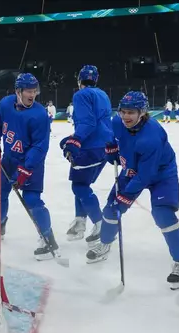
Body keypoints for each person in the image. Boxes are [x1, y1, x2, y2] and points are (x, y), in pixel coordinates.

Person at [87, 91, 179, 290]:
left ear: (142, 112)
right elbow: (109, 134)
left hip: (161, 174)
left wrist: (125, 196)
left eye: (131, 112)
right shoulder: (117, 122)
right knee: (111, 210)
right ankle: (105, 244)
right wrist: (110, 148)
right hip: (132, 168)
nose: (126, 116)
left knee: (163, 214)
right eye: (123, 111)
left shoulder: (151, 136)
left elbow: (146, 175)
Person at [0, 73, 57, 260]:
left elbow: (40, 146)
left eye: (34, 91)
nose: (32, 95)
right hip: (9, 160)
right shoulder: (5, 104)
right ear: (18, 91)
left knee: (32, 200)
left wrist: (26, 168)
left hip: (30, 163)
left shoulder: (40, 114)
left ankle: (48, 238)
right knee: (0, 194)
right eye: (28, 91)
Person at [60, 65, 112, 245]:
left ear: (79, 80)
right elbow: (100, 122)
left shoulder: (80, 94)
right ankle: (80, 222)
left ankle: (100, 224)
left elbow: (88, 123)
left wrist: (76, 140)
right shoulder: (103, 94)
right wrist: (73, 137)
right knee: (81, 183)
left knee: (79, 188)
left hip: (90, 147)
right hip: (104, 146)